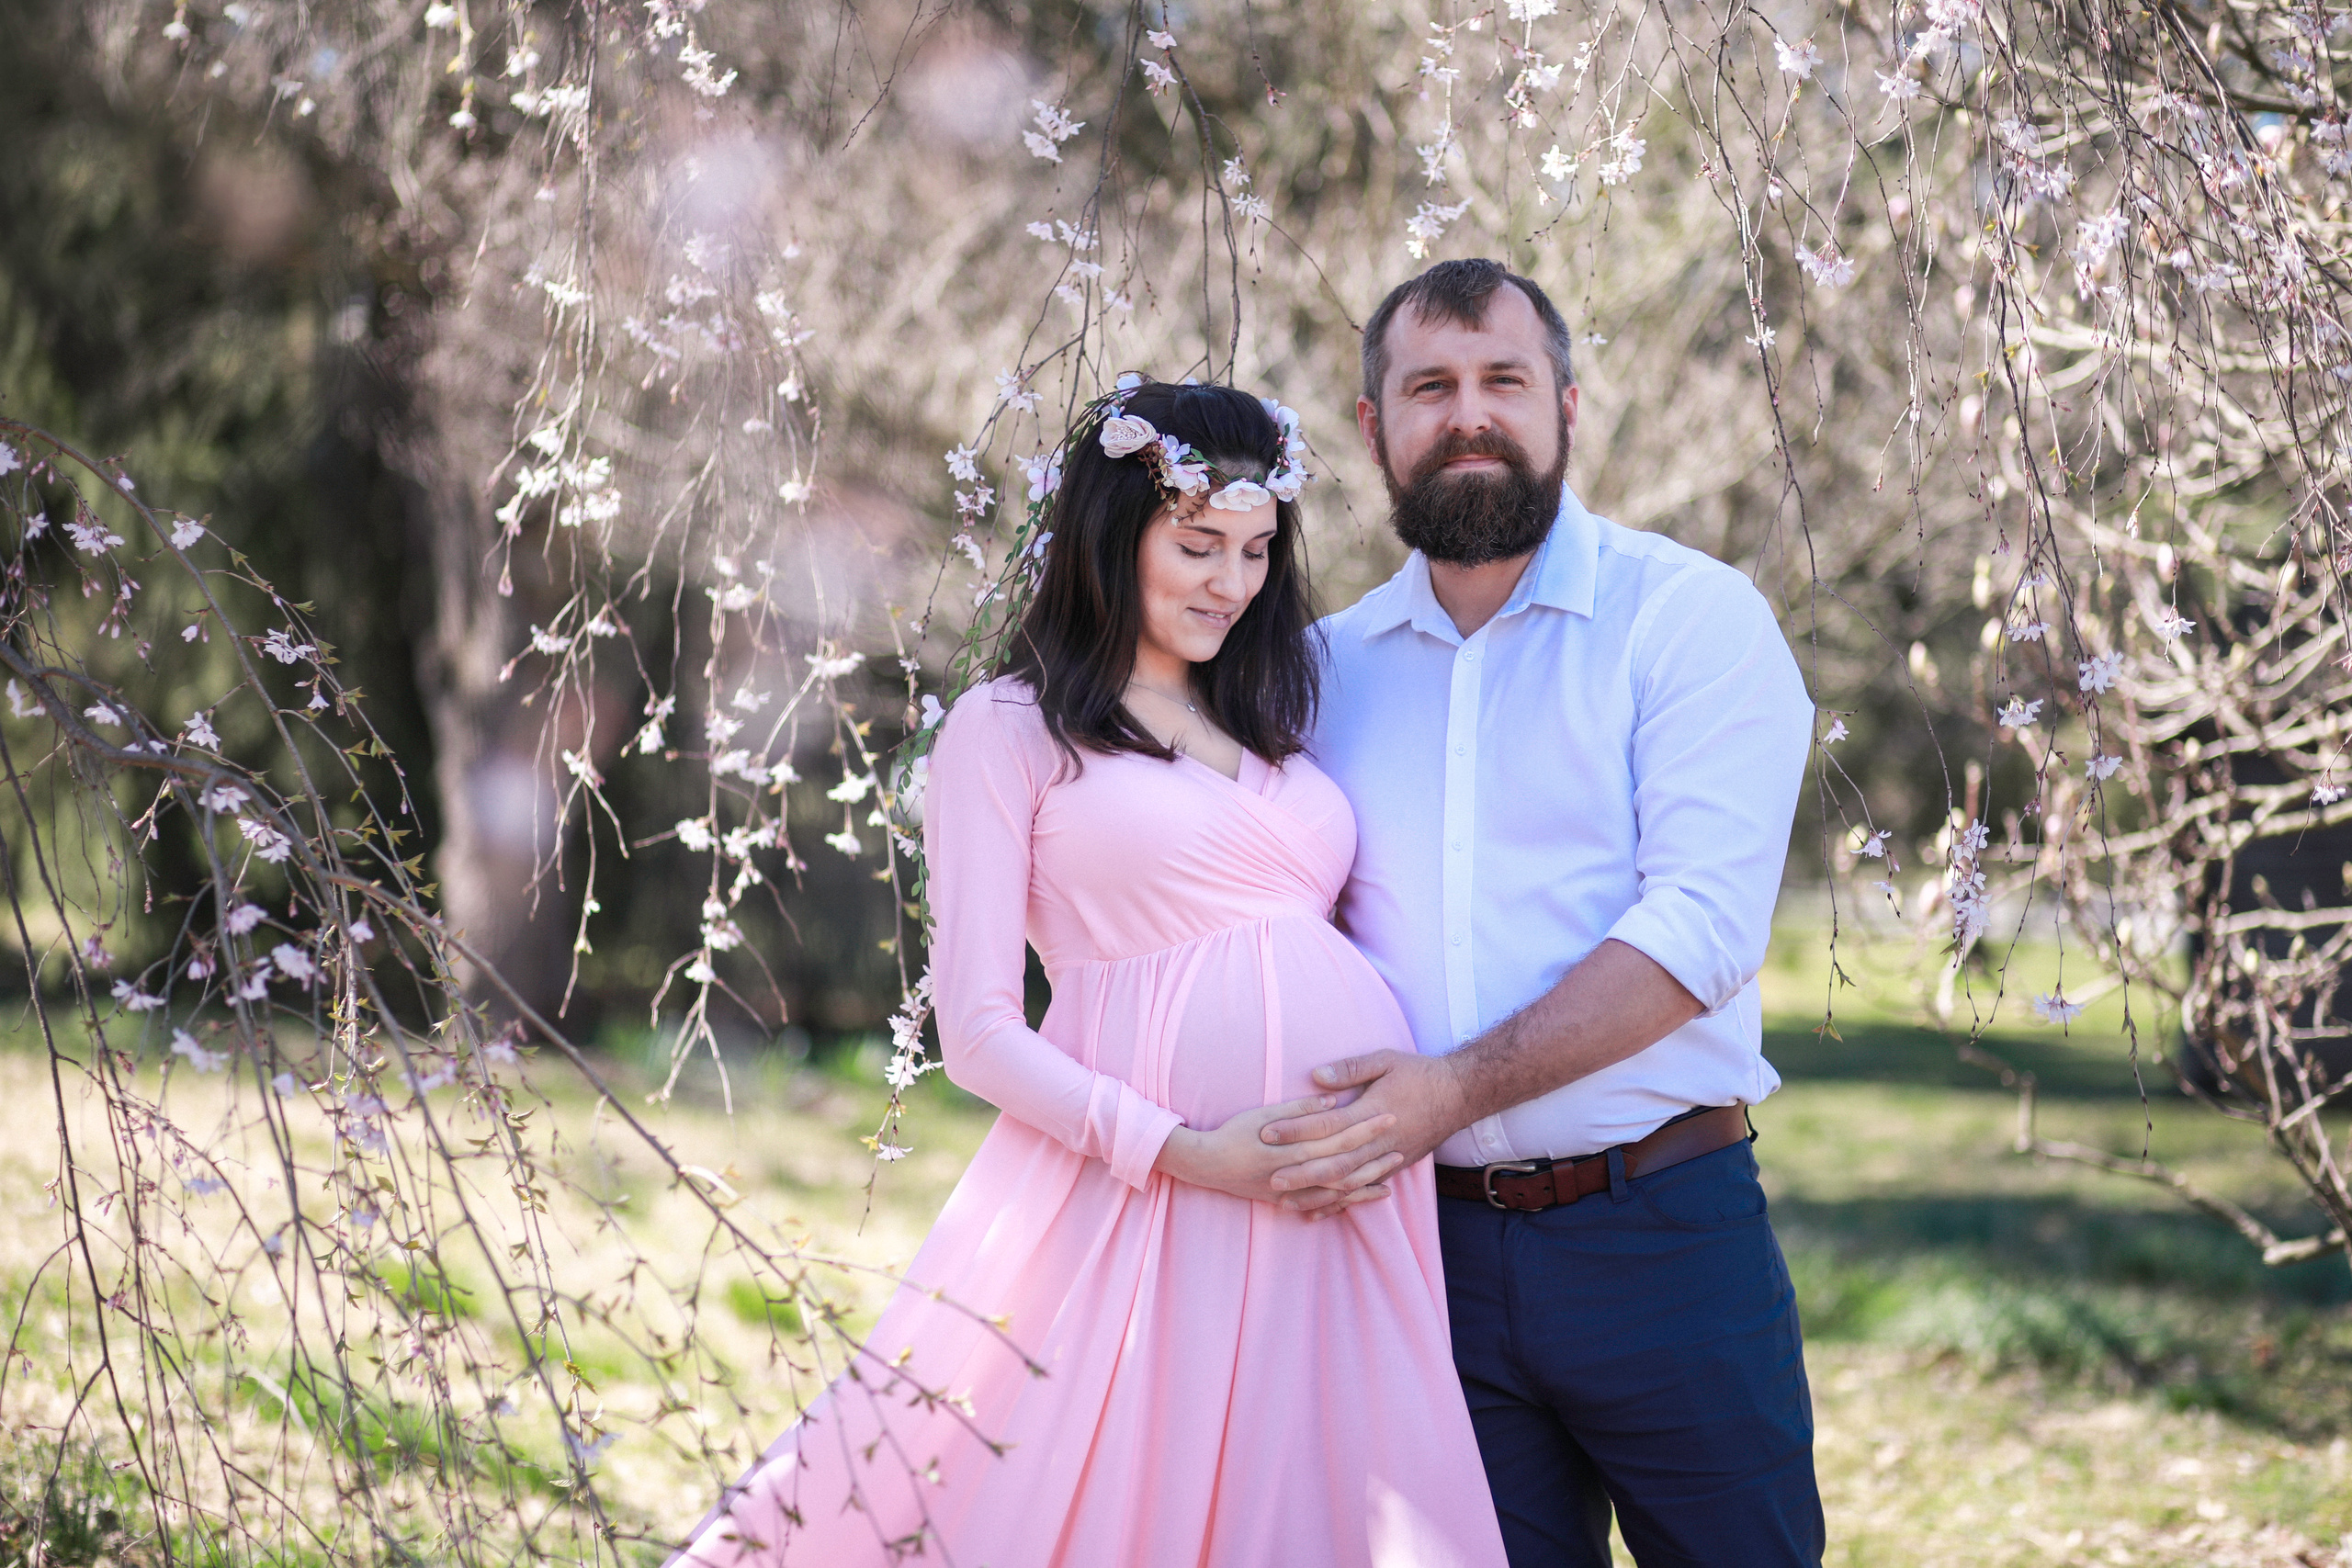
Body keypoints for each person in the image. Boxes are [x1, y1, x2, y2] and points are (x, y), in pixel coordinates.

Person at [667, 379, 1508, 1567]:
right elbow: (976, 1033)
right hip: (1154, 1189)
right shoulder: (1010, 728)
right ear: (1116, 537)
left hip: (1342, 1196)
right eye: (1197, 546)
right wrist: (1188, 1151)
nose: (1231, 583)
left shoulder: (1271, 721)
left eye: (1257, 551)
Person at [1260, 259, 1825, 1565]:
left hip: (1664, 1235)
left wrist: (1448, 1092)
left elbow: (1703, 930)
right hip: (1423, 1257)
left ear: (1566, 406)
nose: (1470, 415)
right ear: (1374, 427)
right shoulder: (1322, 674)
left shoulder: (1687, 621)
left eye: (1503, 380)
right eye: (1430, 387)